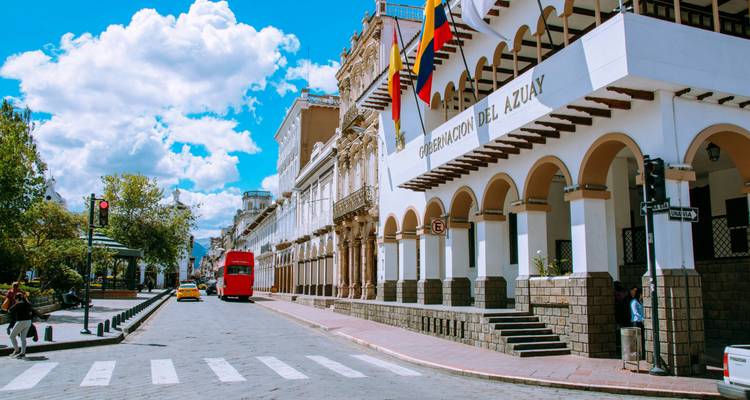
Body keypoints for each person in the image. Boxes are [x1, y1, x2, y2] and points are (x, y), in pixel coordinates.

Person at [7, 292, 47, 359]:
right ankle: (22, 353)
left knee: (12, 336)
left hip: (21, 322)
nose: (15, 300)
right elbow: (33, 311)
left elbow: (9, 310)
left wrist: (16, 304)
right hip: (28, 322)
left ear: (17, 299)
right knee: (23, 338)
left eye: (15, 299)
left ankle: (17, 350)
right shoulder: (28, 304)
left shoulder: (18, 304)